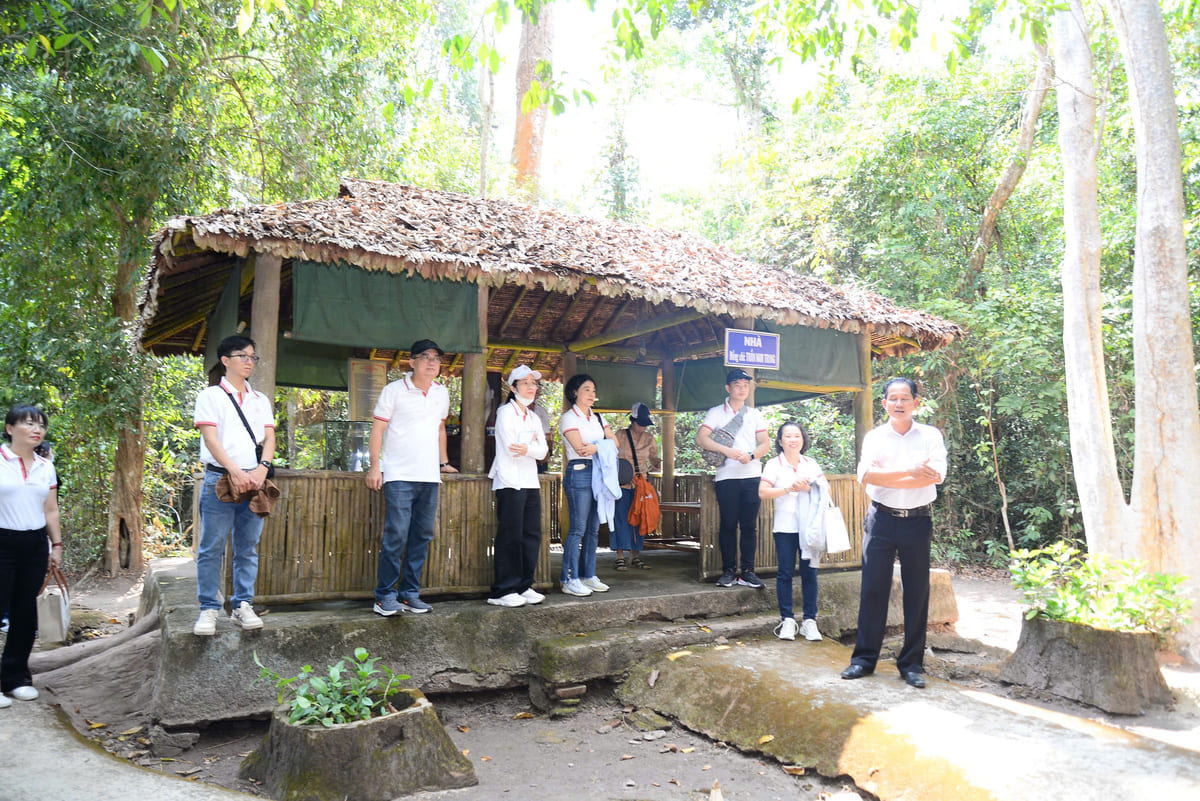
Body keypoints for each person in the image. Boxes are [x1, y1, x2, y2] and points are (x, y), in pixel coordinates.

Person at [841, 377, 947, 689]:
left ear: (916, 402)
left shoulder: (930, 435)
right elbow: (866, 476)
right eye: (893, 398)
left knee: (917, 592)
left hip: (917, 520)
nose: (899, 404)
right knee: (873, 589)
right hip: (881, 520)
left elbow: (934, 477)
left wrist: (887, 476)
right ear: (884, 403)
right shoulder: (875, 437)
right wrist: (910, 472)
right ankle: (863, 659)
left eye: (905, 398)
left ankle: (912, 664)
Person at [368, 339, 458, 615]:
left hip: (429, 476)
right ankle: (384, 596)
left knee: (422, 536)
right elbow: (378, 430)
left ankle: (409, 594)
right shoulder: (394, 390)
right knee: (396, 535)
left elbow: (440, 430)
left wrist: (444, 463)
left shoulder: (441, 392)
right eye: (425, 357)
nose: (432, 362)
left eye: (436, 358)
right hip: (398, 474)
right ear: (412, 362)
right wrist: (375, 466)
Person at [193, 335, 276, 636]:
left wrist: (263, 468)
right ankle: (208, 608)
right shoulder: (210, 396)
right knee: (211, 546)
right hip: (220, 479)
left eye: (253, 357)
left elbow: (270, 437)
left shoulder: (260, 399)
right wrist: (234, 471)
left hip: (254, 479)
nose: (249, 361)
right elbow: (210, 438)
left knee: (248, 546)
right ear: (225, 360)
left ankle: (242, 604)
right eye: (243, 356)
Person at [0, 405, 62, 706]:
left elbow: (50, 509)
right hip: (2, 541)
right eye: (28, 423)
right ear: (10, 429)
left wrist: (56, 546)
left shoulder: (45, 466)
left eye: (41, 425)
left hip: (35, 544)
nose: (37, 430)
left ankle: (15, 679)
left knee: (26, 614)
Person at [696, 368, 770, 588]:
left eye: (746, 385)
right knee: (728, 524)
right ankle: (728, 571)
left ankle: (748, 572)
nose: (742, 389)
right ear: (728, 388)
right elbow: (701, 438)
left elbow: (765, 444)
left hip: (752, 474)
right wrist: (727, 451)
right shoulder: (716, 412)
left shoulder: (755, 414)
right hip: (726, 476)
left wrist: (751, 455)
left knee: (749, 526)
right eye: (737, 385)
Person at [486, 365, 549, 608]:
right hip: (510, 480)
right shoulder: (505, 413)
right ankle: (503, 590)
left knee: (531, 534)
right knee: (510, 535)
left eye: (533, 383)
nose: (531, 387)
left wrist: (528, 449)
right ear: (513, 388)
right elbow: (512, 447)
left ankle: (524, 585)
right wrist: (531, 448)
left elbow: (543, 451)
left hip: (530, 480)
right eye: (525, 383)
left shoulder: (533, 417)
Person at [759, 421, 826, 642]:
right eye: (788, 436)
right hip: (785, 527)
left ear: (803, 440)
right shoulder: (773, 464)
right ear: (780, 441)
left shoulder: (811, 463)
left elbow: (825, 489)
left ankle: (810, 621)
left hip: (809, 528)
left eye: (797, 436)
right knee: (785, 573)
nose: (793, 440)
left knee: (810, 573)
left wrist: (806, 488)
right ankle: (787, 620)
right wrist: (788, 488)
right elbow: (763, 492)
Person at [558, 373, 616, 597]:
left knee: (593, 528)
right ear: (574, 392)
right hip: (580, 471)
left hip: (599, 472)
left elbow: (616, 443)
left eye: (593, 390)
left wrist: (596, 448)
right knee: (578, 528)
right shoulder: (569, 418)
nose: (592, 394)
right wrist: (600, 446)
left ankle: (588, 575)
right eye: (586, 390)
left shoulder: (598, 418)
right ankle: (569, 578)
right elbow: (580, 448)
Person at [612, 402, 661, 571]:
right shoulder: (620, 435)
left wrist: (657, 463)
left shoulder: (649, 439)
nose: (643, 427)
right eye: (640, 423)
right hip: (622, 484)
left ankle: (636, 555)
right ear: (632, 421)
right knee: (621, 518)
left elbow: (653, 457)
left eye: (645, 424)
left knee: (640, 518)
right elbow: (610, 456)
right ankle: (619, 556)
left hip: (641, 485)